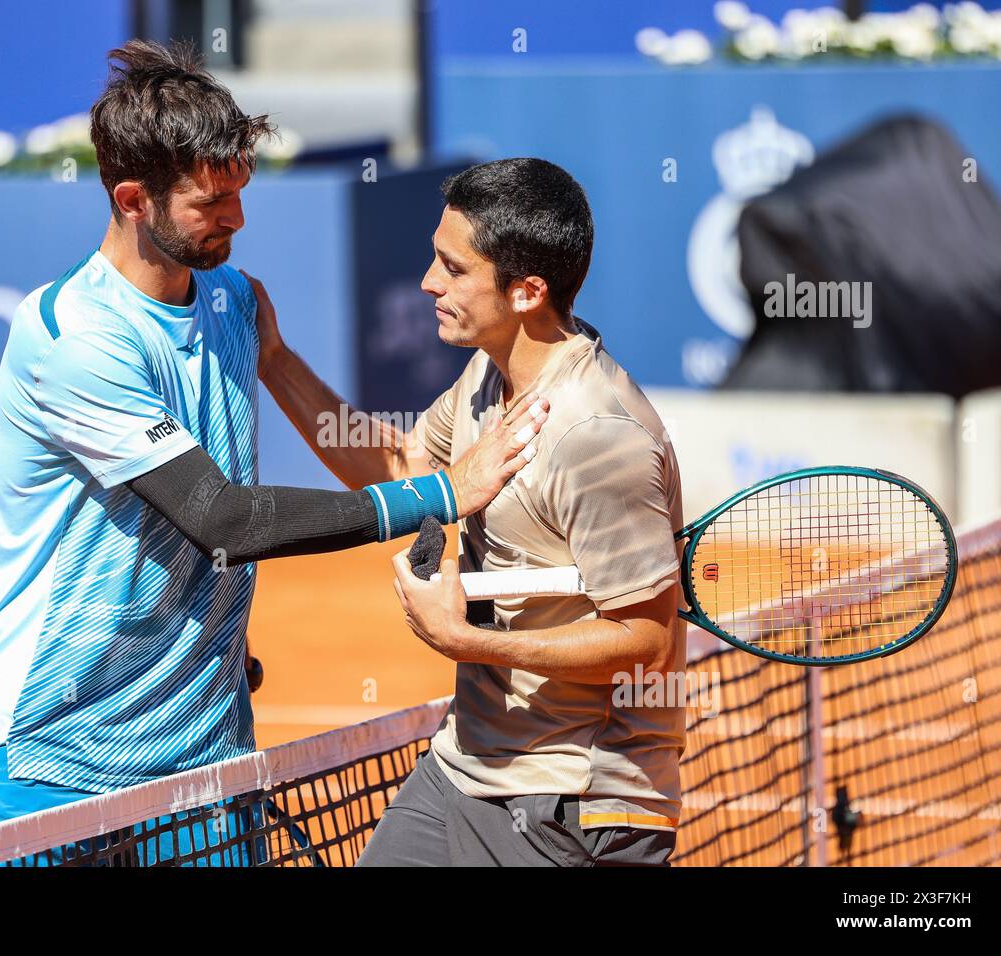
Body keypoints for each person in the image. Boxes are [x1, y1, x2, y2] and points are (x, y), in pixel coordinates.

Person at [0, 40, 545, 851]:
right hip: (50, 762)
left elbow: (290, 403)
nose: (236, 218)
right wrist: (439, 495)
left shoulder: (234, 300)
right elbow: (223, 517)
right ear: (132, 199)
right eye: (210, 204)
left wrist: (281, 362)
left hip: (205, 759)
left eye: (240, 191)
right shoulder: (73, 338)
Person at [253, 158, 685, 867]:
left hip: (576, 800)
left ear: (526, 292)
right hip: (469, 768)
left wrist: (469, 642)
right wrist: (276, 361)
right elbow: (402, 473)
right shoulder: (492, 372)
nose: (427, 282)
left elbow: (643, 640)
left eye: (452, 268)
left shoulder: (597, 436)